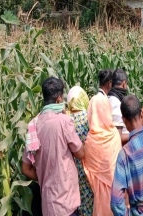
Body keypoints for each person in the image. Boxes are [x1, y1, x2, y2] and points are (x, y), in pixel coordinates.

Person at [21, 77, 85, 216]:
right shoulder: (64, 121)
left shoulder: (33, 125)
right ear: (59, 99)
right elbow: (80, 154)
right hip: (67, 203)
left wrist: (45, 176)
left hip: (49, 205)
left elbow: (25, 168)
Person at [83, 94, 122, 216]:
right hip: (117, 195)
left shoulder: (90, 140)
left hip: (99, 199)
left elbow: (88, 171)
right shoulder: (114, 134)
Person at [67, 86, 94, 216]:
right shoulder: (88, 117)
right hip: (89, 167)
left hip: (72, 170)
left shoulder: (66, 120)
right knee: (90, 202)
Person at [108, 68, 129, 144]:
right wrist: (134, 134)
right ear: (124, 84)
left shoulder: (108, 98)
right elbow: (118, 137)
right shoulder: (117, 104)